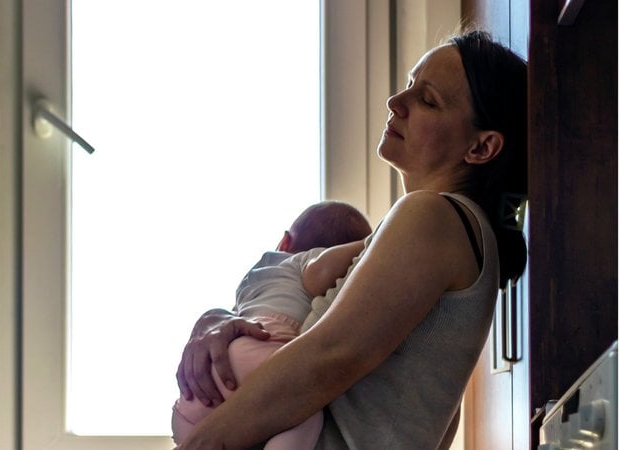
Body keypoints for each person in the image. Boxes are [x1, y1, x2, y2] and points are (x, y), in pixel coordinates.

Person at [175, 28, 528, 449]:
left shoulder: (434, 215)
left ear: (482, 147)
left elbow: (327, 358)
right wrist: (229, 321)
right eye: (410, 85)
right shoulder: (451, 233)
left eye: (427, 99)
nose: (396, 102)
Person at [171, 201, 373, 449]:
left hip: (223, 361)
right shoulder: (303, 261)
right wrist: (374, 243)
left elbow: (237, 314)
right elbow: (320, 272)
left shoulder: (258, 273)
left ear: (285, 242)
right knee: (304, 407)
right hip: (271, 350)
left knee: (192, 427)